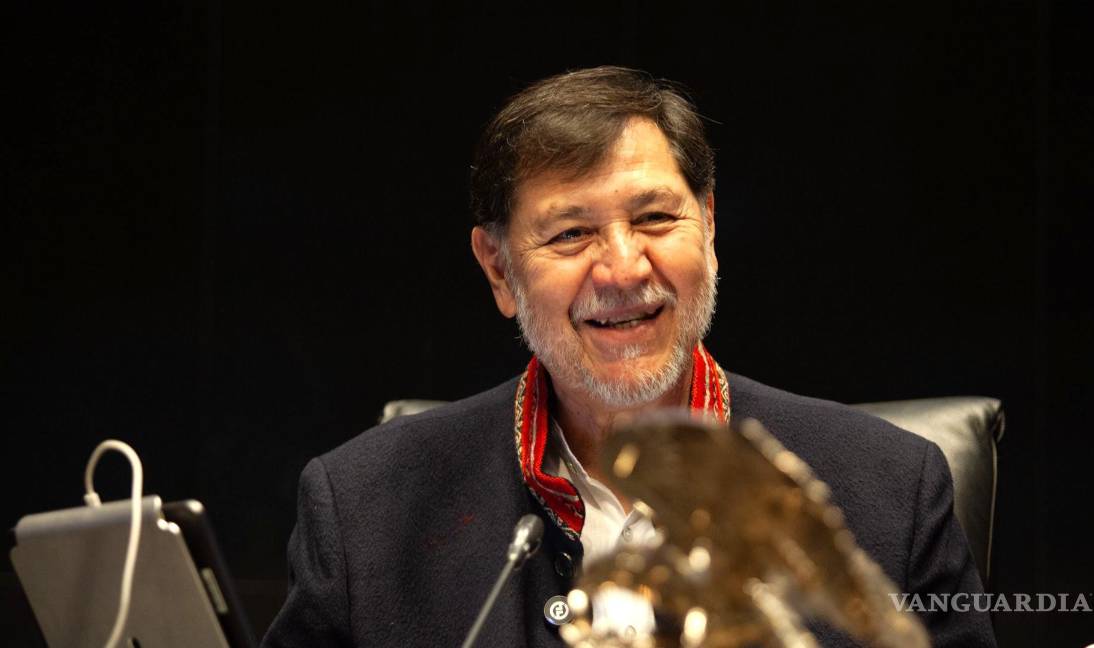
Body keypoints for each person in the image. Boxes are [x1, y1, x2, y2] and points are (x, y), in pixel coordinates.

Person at [262, 66, 996, 647]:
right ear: (499, 271)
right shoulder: (363, 512)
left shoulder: (890, 493)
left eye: (654, 218)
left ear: (708, 226)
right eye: (570, 234)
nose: (622, 268)